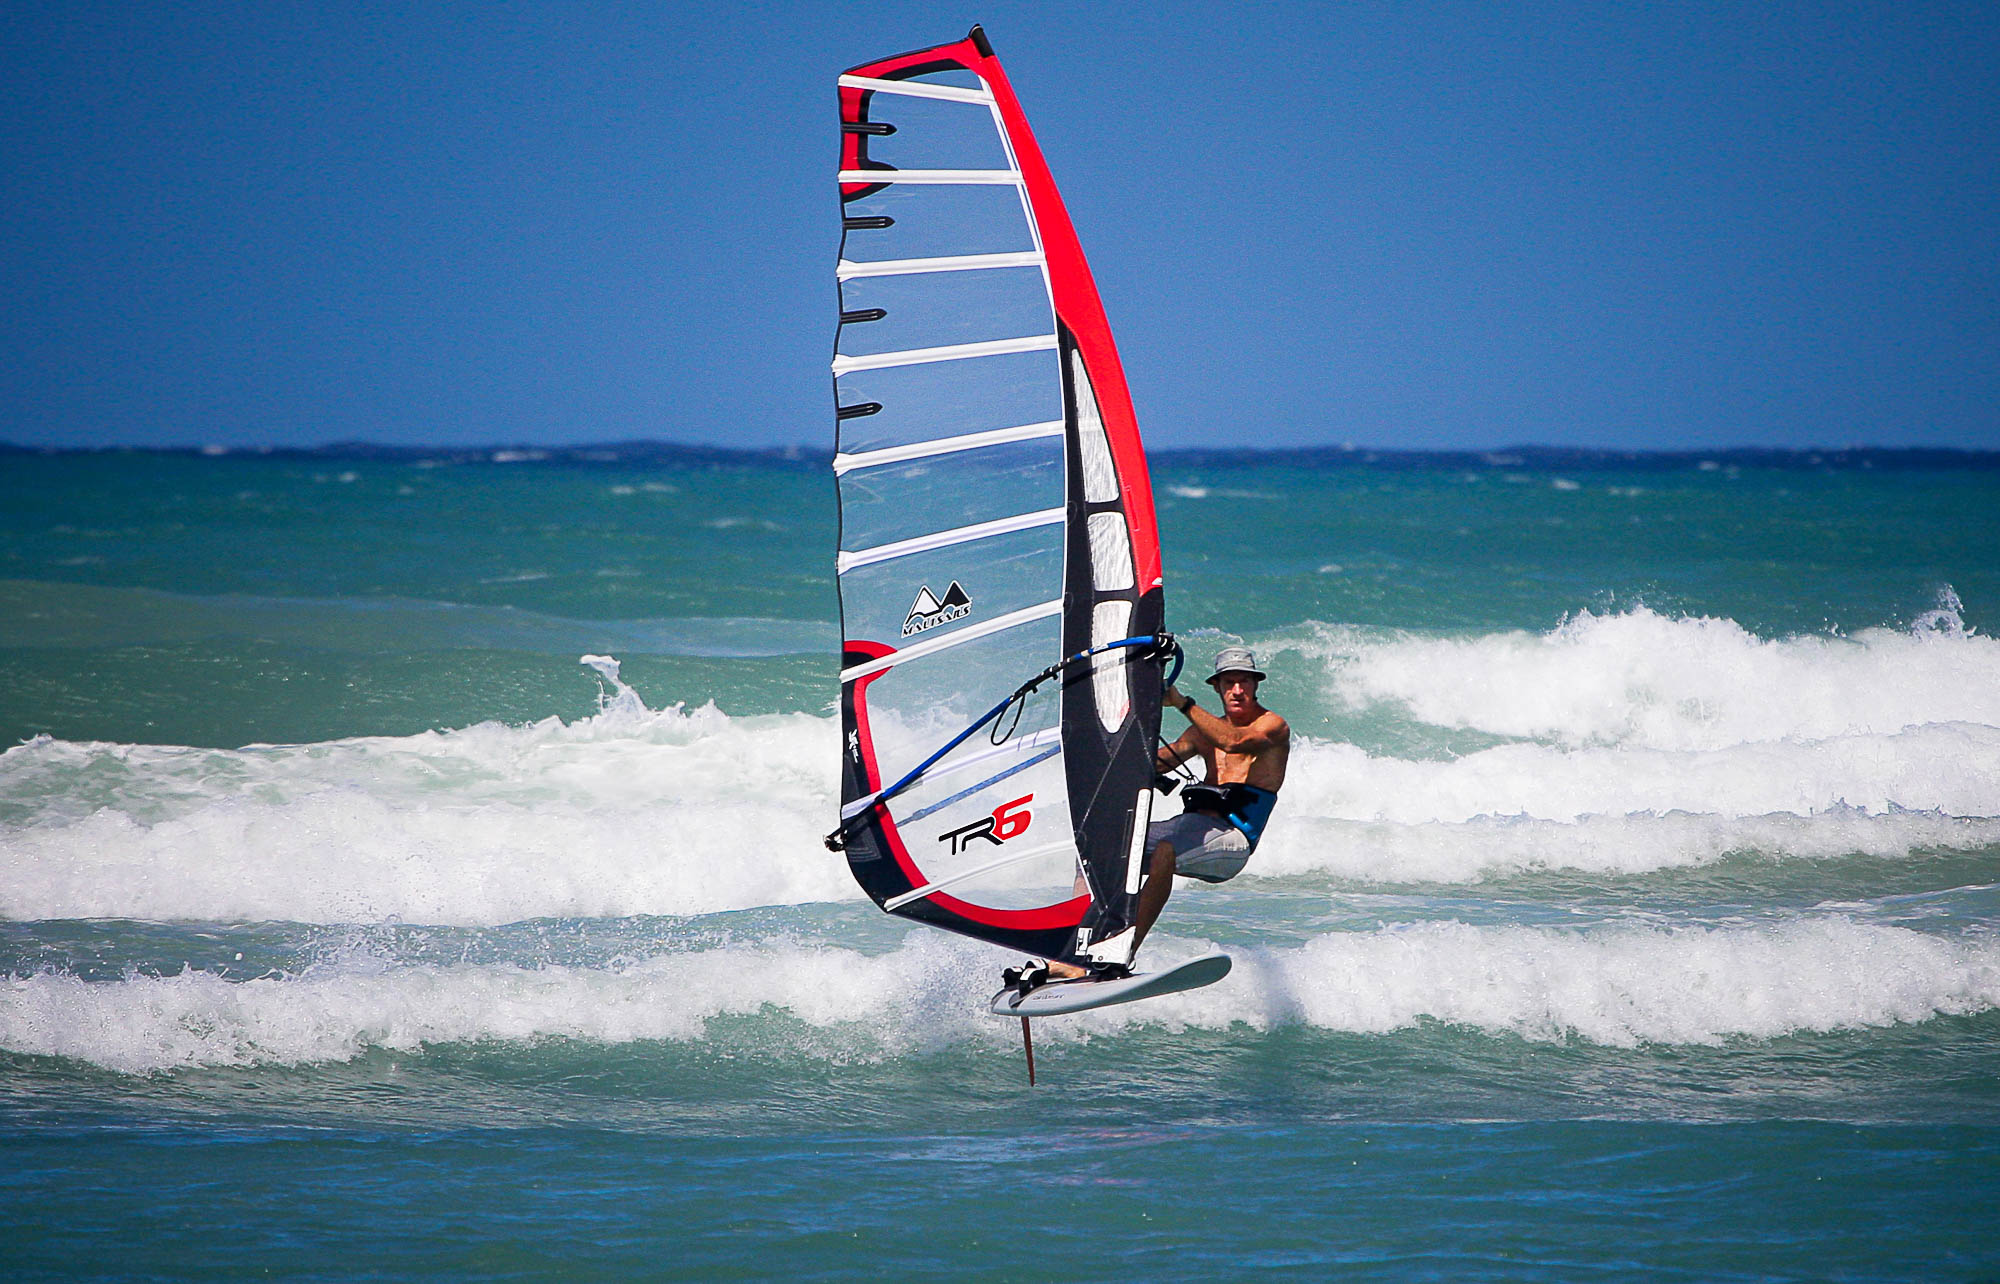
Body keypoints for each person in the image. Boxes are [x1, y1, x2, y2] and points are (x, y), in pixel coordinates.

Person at [1043, 646, 1289, 979]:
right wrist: (1111, 741)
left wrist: (1182, 703)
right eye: (1229, 683)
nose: (1237, 690)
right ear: (1216, 687)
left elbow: (1233, 741)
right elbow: (1154, 764)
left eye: (1244, 682)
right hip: (1190, 828)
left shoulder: (1272, 726)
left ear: (1256, 685)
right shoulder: (1201, 734)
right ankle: (1077, 953)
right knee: (1093, 849)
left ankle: (1120, 954)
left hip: (1233, 840)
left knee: (1164, 852)